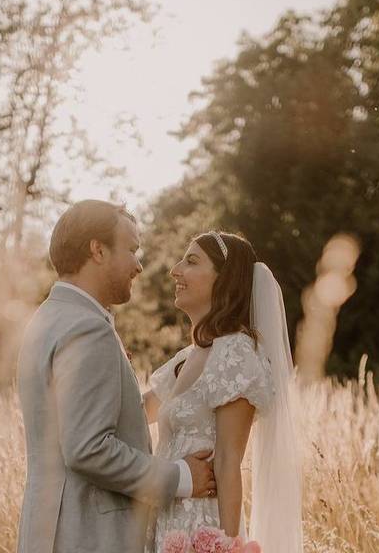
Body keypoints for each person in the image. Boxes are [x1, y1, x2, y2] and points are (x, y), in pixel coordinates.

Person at [15, 200, 217, 553]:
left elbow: (86, 421)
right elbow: (87, 449)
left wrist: (176, 380)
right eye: (132, 249)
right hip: (90, 538)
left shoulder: (47, 320)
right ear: (98, 250)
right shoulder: (87, 329)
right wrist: (180, 477)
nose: (138, 265)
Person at [144, 231, 304, 553]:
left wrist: (229, 545)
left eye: (191, 261)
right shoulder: (186, 358)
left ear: (224, 279)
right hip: (165, 519)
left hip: (202, 525)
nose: (175, 270)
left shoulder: (235, 352)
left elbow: (230, 459)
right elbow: (136, 410)